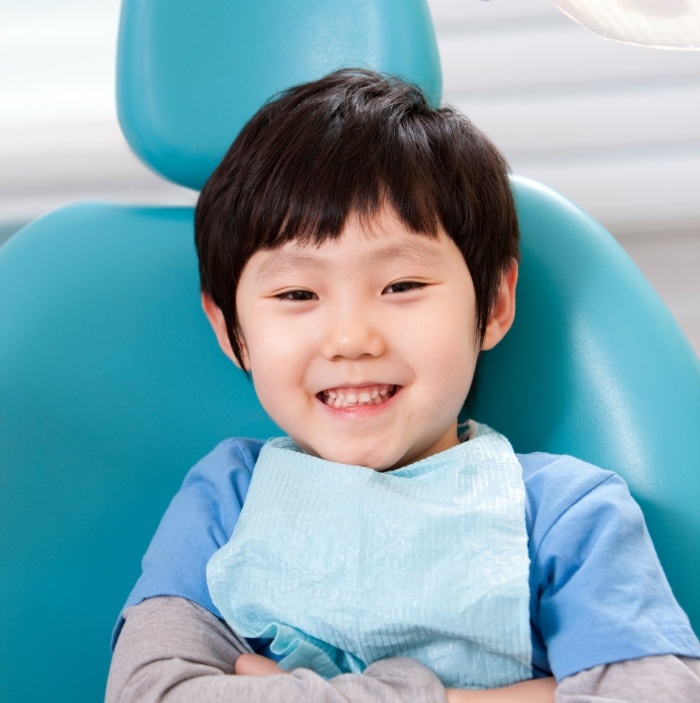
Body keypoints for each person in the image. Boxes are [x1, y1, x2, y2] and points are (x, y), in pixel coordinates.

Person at [106, 69, 700, 702]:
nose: (351, 338)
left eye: (401, 286)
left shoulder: (566, 514)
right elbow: (152, 692)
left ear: (494, 304)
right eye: (297, 293)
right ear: (232, 332)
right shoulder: (224, 503)